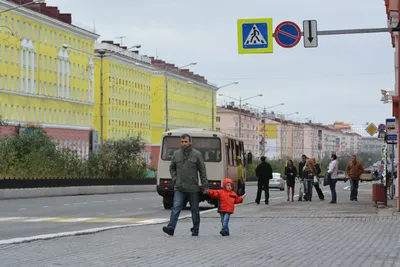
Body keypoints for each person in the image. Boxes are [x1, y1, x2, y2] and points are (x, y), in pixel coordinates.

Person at [162, 133, 209, 236]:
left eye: (186, 142)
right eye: (182, 142)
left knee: (195, 210)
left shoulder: (197, 154)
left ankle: (195, 230)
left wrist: (205, 186)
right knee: (176, 207)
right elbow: (172, 168)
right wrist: (175, 179)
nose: (184, 144)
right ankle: (171, 227)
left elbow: (202, 171)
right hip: (179, 187)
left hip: (193, 187)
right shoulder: (176, 154)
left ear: (190, 142)